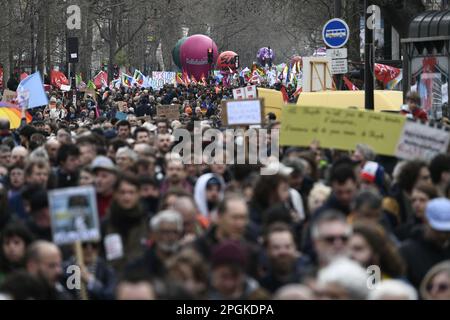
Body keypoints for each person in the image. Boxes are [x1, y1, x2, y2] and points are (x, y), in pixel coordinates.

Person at [102, 173, 148, 274]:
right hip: (113, 278)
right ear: (115, 194)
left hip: (142, 277)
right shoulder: (106, 223)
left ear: (139, 194)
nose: (127, 197)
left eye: (131, 192)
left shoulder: (147, 221)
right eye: (122, 192)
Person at [400, 198, 450, 288]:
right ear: (425, 220)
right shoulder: (407, 252)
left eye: (447, 230)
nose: (443, 235)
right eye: (438, 230)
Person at [259, 223, 312, 293]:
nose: (283, 252)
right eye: (276, 247)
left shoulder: (309, 281)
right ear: (267, 250)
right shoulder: (261, 287)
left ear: (295, 248)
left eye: (287, 247)